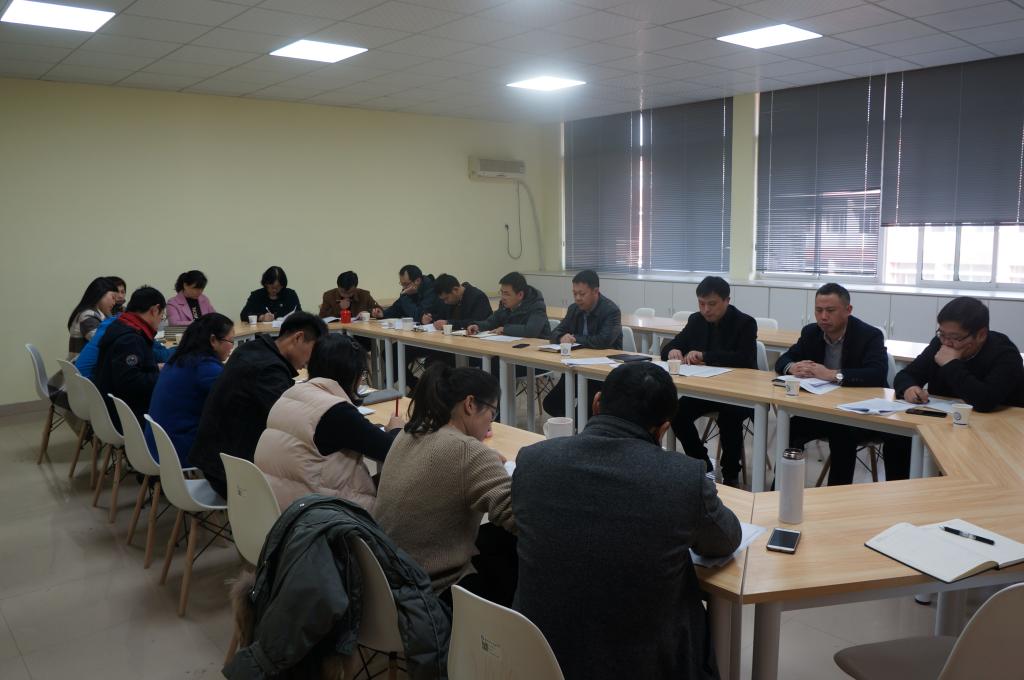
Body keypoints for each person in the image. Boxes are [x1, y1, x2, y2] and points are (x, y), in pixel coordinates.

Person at [513, 361, 742, 680]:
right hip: (645, 664)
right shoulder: (682, 478)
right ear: (663, 428)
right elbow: (726, 540)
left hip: (539, 657)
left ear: (596, 403)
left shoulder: (532, 460)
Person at [373, 364, 516, 606]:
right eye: (492, 414)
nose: (490, 426)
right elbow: (519, 519)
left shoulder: (410, 432)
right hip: (432, 593)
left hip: (389, 579)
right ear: (470, 404)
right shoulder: (468, 451)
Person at [254, 334, 404, 512]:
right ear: (350, 374)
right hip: (322, 515)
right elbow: (393, 451)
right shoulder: (336, 412)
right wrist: (396, 429)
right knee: (409, 481)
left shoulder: (291, 394)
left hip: (279, 507)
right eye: (362, 374)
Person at [189, 312, 327, 498]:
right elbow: (292, 421)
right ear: (298, 338)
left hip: (214, 462)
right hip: (231, 476)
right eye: (314, 351)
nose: (311, 361)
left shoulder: (253, 349)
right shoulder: (268, 369)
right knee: (320, 477)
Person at [885, 297, 1024, 477]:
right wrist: (909, 388)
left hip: (995, 433)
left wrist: (951, 364)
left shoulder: (1005, 354)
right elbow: (906, 374)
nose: (946, 343)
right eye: (942, 334)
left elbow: (985, 401)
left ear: (981, 335)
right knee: (897, 439)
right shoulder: (939, 344)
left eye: (955, 338)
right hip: (944, 425)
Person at [775, 283, 888, 486]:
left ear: (848, 310)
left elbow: (877, 374)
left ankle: (835, 497)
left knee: (842, 434)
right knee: (790, 428)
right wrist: (792, 367)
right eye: (818, 310)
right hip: (823, 410)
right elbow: (784, 359)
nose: (823, 317)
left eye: (830, 310)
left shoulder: (869, 335)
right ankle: (781, 490)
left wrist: (832, 375)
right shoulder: (811, 332)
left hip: (858, 414)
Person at [660, 276, 757, 486]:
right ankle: (702, 463)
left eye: (712, 304)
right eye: (701, 303)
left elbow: (745, 359)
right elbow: (669, 347)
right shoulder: (696, 320)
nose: (706, 310)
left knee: (730, 417)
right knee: (675, 412)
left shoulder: (745, 323)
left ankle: (731, 474)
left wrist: (706, 356)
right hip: (706, 390)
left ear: (727, 300)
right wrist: (673, 350)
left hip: (739, 392)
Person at [142, 313, 233, 466]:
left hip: (158, 446)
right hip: (178, 450)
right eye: (230, 341)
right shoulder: (205, 367)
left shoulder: (180, 359)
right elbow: (233, 401)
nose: (231, 346)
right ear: (213, 340)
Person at [543, 269, 622, 419]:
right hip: (576, 366)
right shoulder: (574, 309)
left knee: (585, 413)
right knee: (551, 403)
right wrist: (562, 337)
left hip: (601, 372)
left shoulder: (611, 311)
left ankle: (577, 427)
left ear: (595, 291)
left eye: (582, 294)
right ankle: (571, 426)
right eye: (574, 293)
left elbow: (603, 341)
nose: (577, 298)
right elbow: (554, 333)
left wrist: (574, 338)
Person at [93, 286, 166, 429]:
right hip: (126, 416)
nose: (160, 320)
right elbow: (131, 382)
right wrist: (165, 375)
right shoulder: (131, 339)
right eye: (161, 316)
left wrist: (155, 368)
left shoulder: (120, 324)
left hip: (111, 407)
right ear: (154, 310)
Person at [466, 271, 548, 339]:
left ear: (520, 295)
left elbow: (531, 331)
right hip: (511, 345)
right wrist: (478, 326)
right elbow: (491, 322)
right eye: (501, 292)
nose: (502, 297)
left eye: (506, 294)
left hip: (536, 348)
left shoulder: (537, 305)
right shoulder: (505, 305)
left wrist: (505, 329)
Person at [66, 277, 118, 358]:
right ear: (101, 294)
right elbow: (103, 342)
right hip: (82, 365)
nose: (114, 303)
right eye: (113, 297)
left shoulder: (98, 314)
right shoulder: (88, 315)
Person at [376, 264, 441, 323]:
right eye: (402, 284)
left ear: (418, 281)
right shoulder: (409, 290)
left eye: (406, 284)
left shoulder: (431, 290)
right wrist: (383, 314)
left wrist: (404, 296)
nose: (404, 287)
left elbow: (419, 315)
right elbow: (398, 308)